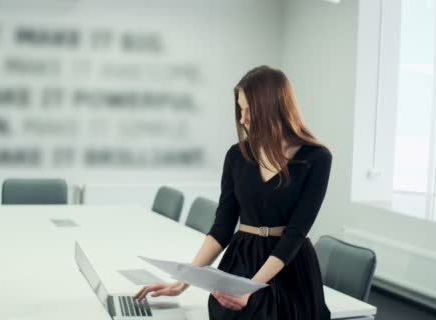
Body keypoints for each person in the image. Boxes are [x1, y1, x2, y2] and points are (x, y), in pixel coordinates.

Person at [135, 65, 332, 320]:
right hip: (241, 260)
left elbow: (296, 233)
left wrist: (251, 288)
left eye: (250, 110)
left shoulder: (316, 158)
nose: (242, 119)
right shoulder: (237, 155)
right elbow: (222, 227)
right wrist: (184, 281)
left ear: (273, 107)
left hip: (288, 265)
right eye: (241, 110)